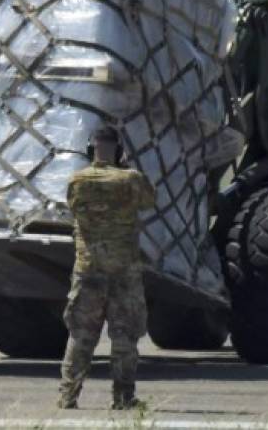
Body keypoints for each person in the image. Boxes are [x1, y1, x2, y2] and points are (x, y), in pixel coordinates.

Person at [58, 126, 156, 410]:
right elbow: (150, 201)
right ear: (119, 149)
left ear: (91, 150)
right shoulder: (131, 179)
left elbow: (74, 209)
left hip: (88, 269)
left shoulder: (77, 180)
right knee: (124, 336)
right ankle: (123, 397)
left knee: (80, 335)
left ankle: (68, 396)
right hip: (124, 270)